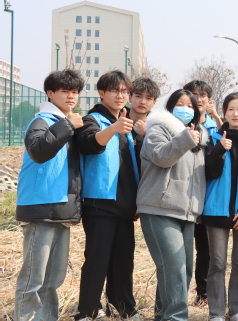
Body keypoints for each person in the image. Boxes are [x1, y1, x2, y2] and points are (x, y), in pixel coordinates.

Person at [14, 69, 84, 321]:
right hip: (40, 208)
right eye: (65, 91)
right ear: (50, 93)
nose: (71, 96)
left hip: (59, 209)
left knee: (53, 278)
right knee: (33, 277)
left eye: (74, 92)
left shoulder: (67, 122)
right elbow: (38, 151)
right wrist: (68, 125)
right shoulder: (42, 121)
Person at [75, 71, 142, 321]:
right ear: (101, 93)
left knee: (123, 260)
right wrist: (113, 129)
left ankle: (123, 307)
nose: (120, 95)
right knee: (97, 259)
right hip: (99, 202)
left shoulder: (126, 123)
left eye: (125, 91)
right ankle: (88, 311)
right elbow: (89, 144)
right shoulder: (92, 119)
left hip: (124, 204)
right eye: (114, 90)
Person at [137, 89, 208, 321]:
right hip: (159, 206)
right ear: (170, 107)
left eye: (190, 106)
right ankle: (176, 318)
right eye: (180, 104)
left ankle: (163, 316)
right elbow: (161, 157)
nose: (185, 109)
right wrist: (185, 139)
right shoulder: (158, 128)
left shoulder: (198, 136)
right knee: (174, 268)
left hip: (187, 211)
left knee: (182, 270)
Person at [203, 92, 238, 321]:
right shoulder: (212, 139)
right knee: (217, 263)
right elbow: (208, 172)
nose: (235, 114)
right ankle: (216, 312)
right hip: (216, 210)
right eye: (231, 109)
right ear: (223, 112)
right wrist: (219, 150)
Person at [183, 79, 223, 307]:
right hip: (186, 194)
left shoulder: (215, 126)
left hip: (209, 196)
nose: (198, 99)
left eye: (203, 95)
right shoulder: (180, 124)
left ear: (209, 99)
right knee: (183, 250)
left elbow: (228, 139)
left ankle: (203, 293)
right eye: (194, 94)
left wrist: (216, 117)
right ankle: (179, 294)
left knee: (205, 250)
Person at [128, 77, 160, 168]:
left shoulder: (157, 127)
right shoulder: (117, 121)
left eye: (148, 98)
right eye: (138, 96)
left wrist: (147, 134)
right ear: (130, 97)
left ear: (154, 102)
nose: (143, 102)